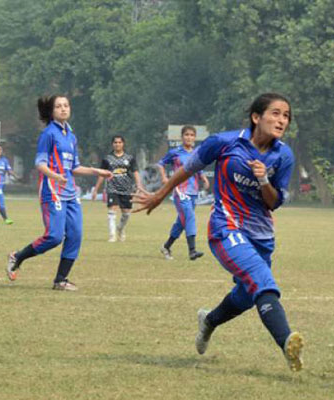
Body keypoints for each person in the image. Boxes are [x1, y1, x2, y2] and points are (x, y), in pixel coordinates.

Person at [135, 93, 304, 371]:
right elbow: (187, 170)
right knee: (263, 281)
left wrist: (263, 179)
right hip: (226, 228)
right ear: (256, 117)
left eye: (286, 116)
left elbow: (273, 202)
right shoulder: (224, 142)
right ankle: (287, 342)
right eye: (275, 113)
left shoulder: (283, 155)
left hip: (262, 235)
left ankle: (209, 321)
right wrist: (159, 194)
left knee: (248, 295)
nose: (281, 120)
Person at [6, 95, 112, 291]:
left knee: (75, 235)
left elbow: (75, 168)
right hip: (52, 190)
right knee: (54, 236)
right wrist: (55, 176)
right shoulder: (48, 134)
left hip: (70, 193)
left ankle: (61, 280)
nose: (63, 109)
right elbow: (40, 164)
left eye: (66, 105)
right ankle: (17, 257)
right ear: (52, 111)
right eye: (58, 106)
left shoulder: (71, 136)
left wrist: (98, 171)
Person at [157, 125, 210, 260]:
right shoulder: (175, 152)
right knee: (190, 216)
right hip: (180, 190)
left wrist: (203, 178)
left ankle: (166, 246)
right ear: (182, 137)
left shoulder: (197, 153)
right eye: (186, 135)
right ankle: (192, 250)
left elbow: (198, 168)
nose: (189, 137)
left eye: (192, 135)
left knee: (181, 222)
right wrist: (164, 177)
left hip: (193, 191)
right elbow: (160, 163)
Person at [91, 135, 144, 242]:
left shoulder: (129, 158)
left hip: (127, 189)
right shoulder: (107, 159)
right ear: (112, 144)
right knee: (112, 211)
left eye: (119, 142)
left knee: (126, 213)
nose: (117, 144)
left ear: (123, 144)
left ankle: (120, 228)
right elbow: (101, 174)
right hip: (112, 188)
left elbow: (135, 172)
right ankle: (112, 235)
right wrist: (96, 189)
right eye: (115, 142)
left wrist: (139, 185)